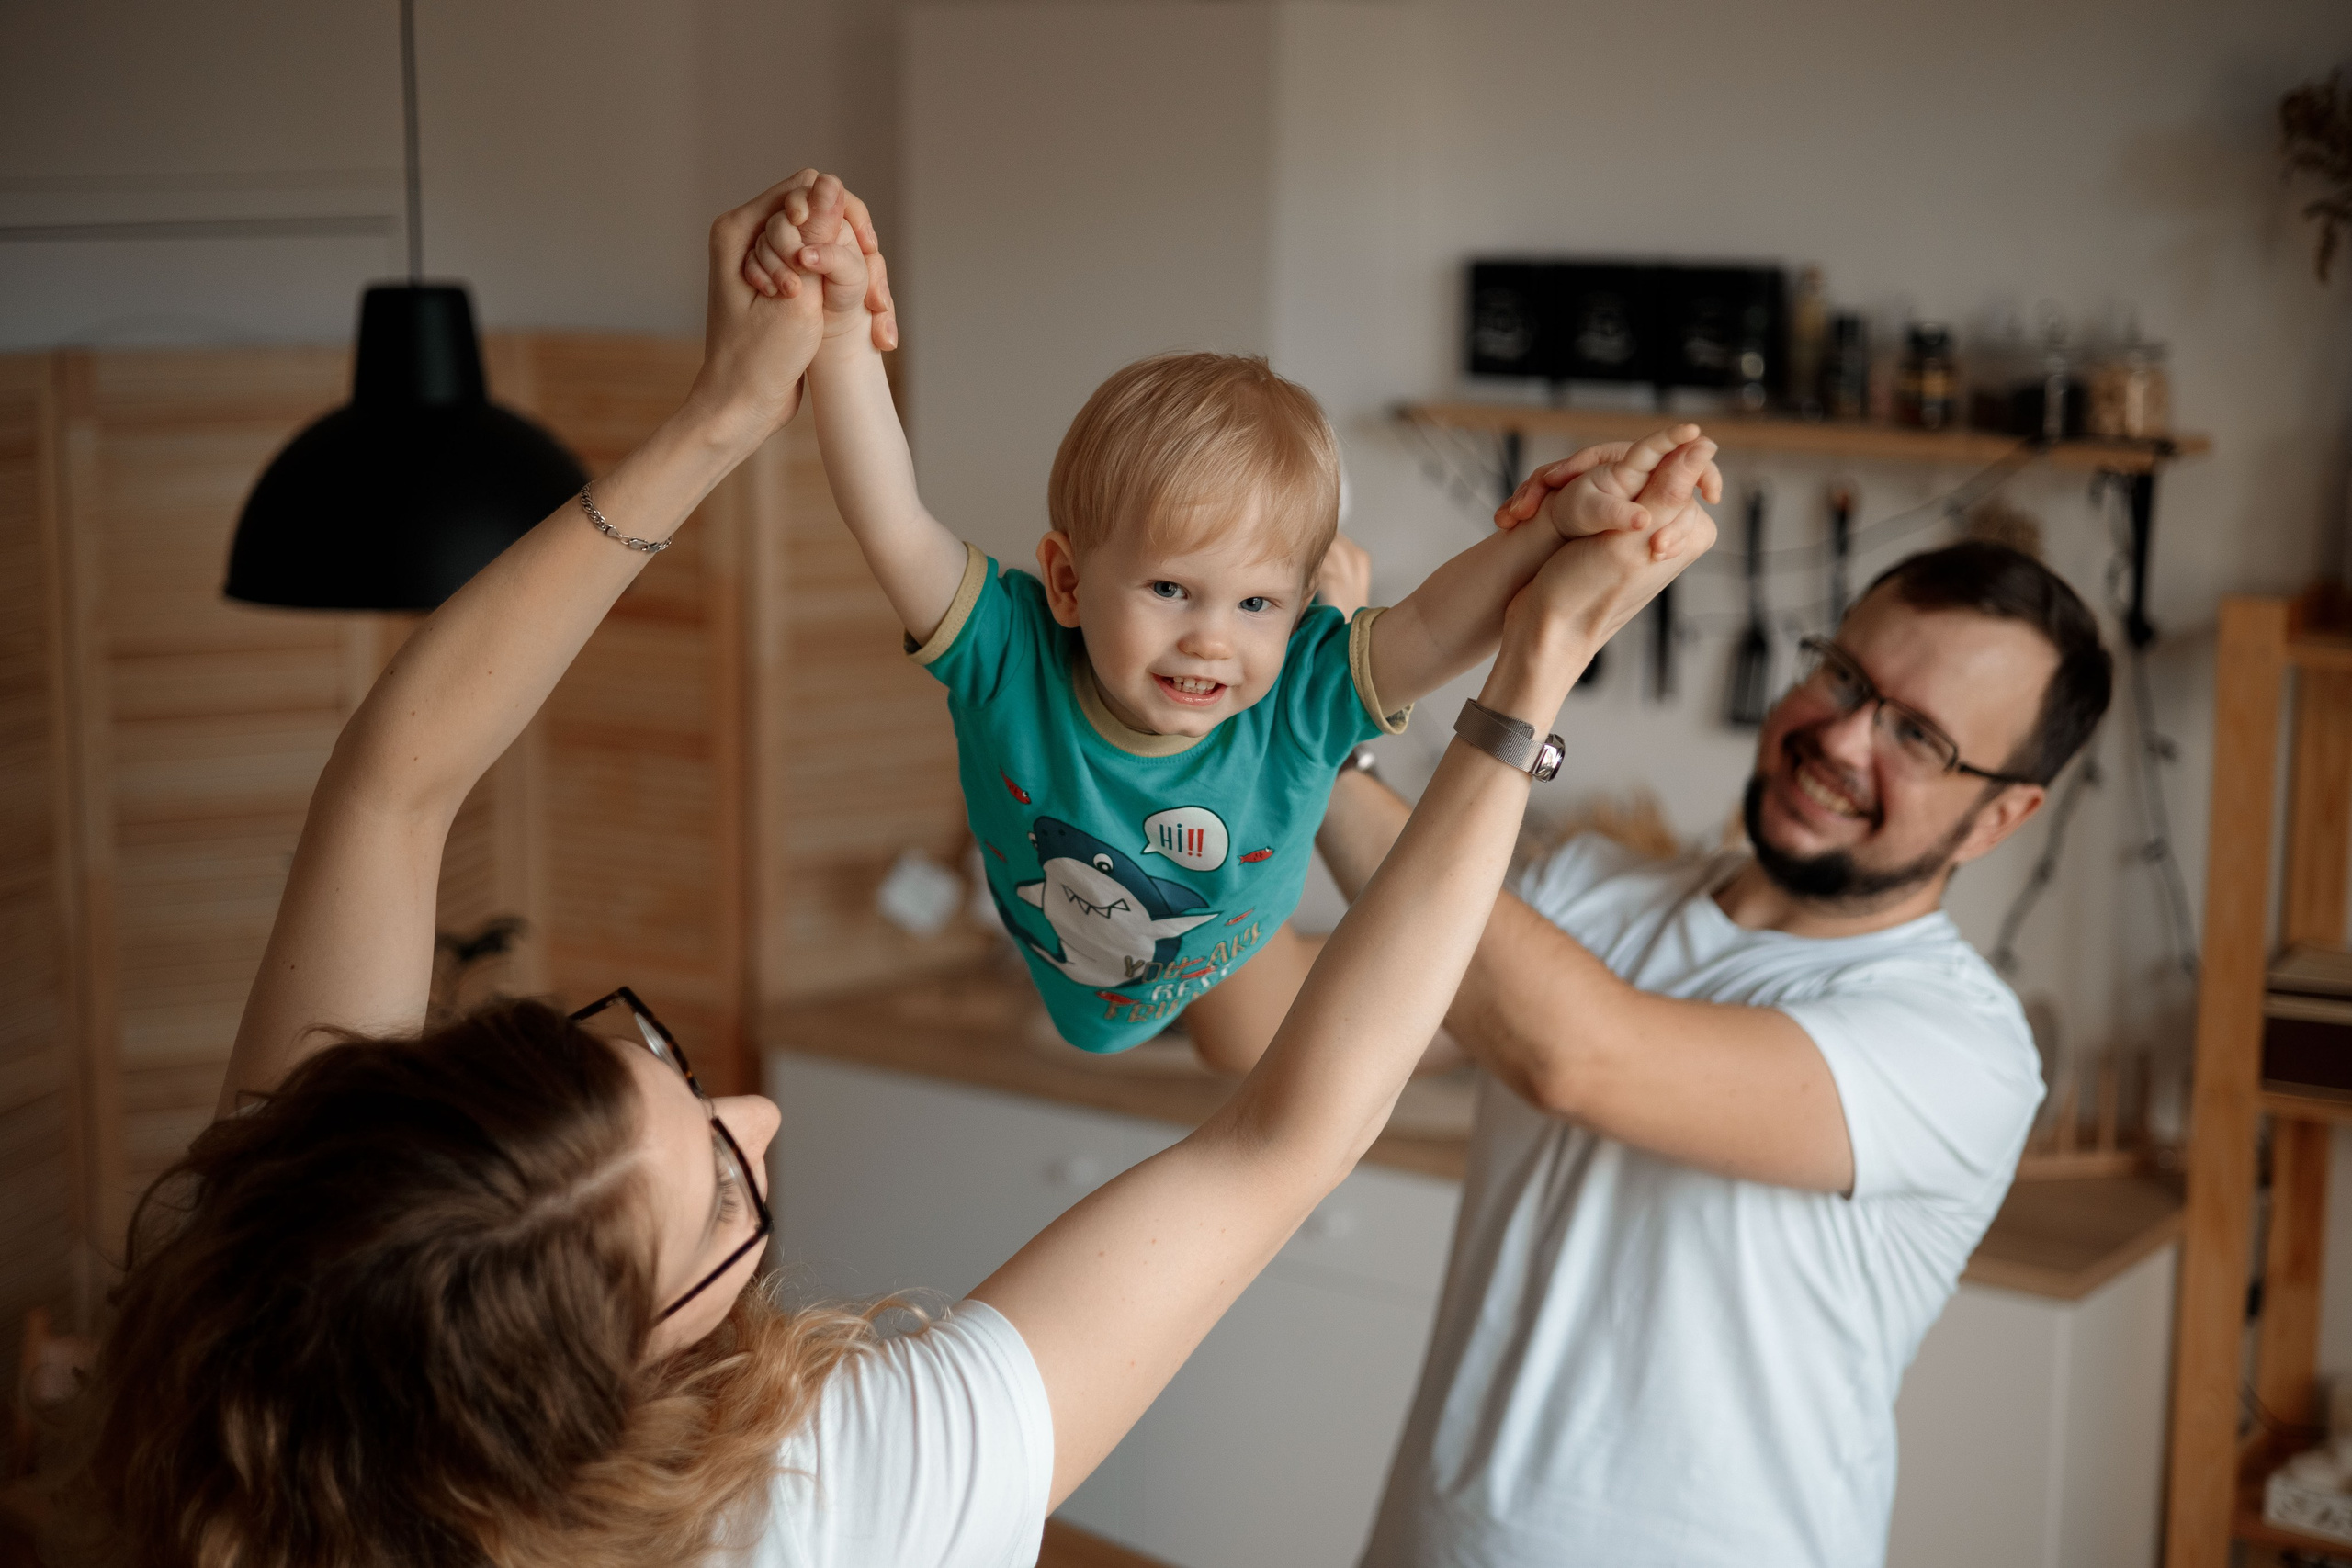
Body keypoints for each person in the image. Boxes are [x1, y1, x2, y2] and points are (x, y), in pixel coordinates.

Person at [53, 171, 1714, 1568]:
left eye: (647, 1063)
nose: (764, 1114)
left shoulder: (279, 1286)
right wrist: (1535, 682)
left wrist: (728, 407)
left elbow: (385, 789)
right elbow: (1288, 1136)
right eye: (719, 1184)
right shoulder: (829, 1505)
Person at [1279, 448, 2109, 1567]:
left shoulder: (1962, 1046)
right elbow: (1281, 1027)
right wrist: (1164, 759)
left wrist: (1311, 720)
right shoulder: (1584, 891)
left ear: (2002, 817)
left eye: (1921, 738)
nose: (1845, 739)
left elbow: (1578, 1058)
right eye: (1848, 680)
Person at [765, 179, 1721, 1056]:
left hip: (1238, 960)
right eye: (1170, 590)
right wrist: (843, 332)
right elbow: (888, 519)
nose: (1211, 638)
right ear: (1064, 582)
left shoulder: (1297, 688)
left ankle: (1315, 599)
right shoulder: (1008, 651)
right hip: (1086, 953)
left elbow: (1434, 626)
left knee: (1283, 1052)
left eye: (1257, 603)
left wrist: (1557, 522)